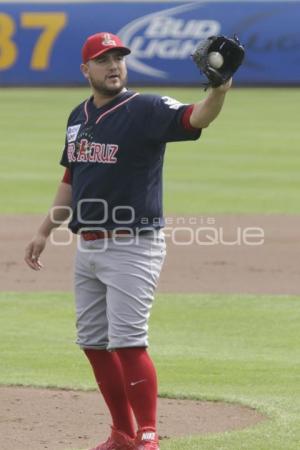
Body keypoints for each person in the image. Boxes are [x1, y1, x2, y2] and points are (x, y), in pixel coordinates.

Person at [25, 32, 232, 450]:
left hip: (134, 242)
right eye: (103, 60)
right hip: (88, 246)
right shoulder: (77, 116)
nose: (113, 65)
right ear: (86, 69)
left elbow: (196, 117)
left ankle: (149, 435)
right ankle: (122, 432)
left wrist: (221, 87)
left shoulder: (146, 108)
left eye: (119, 58)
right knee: (93, 343)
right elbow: (72, 176)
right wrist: (45, 229)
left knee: (128, 341)